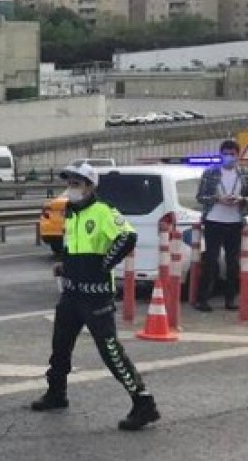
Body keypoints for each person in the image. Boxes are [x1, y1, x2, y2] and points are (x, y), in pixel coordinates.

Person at [32, 163, 160, 431]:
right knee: (60, 345)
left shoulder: (103, 211)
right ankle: (57, 392)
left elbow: (127, 237)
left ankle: (143, 402)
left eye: (77, 184)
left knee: (110, 351)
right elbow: (75, 247)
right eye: (69, 183)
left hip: (96, 296)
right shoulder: (70, 213)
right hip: (71, 292)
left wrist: (103, 265)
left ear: (90, 187)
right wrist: (66, 266)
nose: (71, 188)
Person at [194, 139, 248, 312]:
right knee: (211, 260)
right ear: (221, 155)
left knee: (232, 262)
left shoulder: (244, 174)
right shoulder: (210, 173)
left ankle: (230, 299)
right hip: (214, 220)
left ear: (238, 155)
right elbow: (200, 197)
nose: (229, 157)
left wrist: (241, 200)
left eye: (232, 154)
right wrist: (217, 199)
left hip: (235, 222)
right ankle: (203, 299)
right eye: (225, 154)